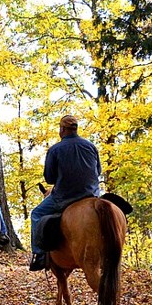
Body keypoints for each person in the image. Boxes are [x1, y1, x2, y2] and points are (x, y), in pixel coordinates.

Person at [29, 115, 101, 271]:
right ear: (76, 129)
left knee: (36, 213)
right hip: (92, 194)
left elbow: (49, 178)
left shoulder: (55, 149)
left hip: (65, 197)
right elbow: (98, 171)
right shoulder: (91, 146)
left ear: (62, 129)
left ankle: (39, 255)